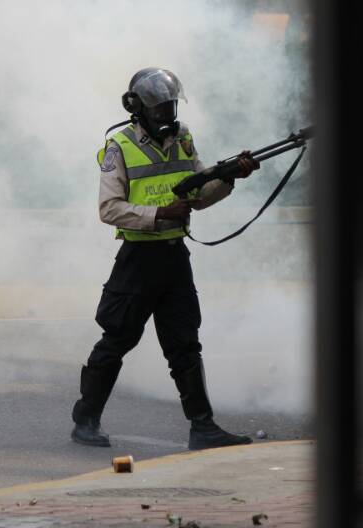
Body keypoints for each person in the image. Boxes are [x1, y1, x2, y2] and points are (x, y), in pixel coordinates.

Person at [70, 67, 260, 450]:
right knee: (117, 339)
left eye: (171, 106)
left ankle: (203, 427)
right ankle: (85, 420)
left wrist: (229, 178)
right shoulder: (118, 147)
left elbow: (199, 196)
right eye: (159, 108)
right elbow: (109, 209)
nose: (167, 115)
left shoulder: (182, 138)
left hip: (174, 258)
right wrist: (159, 215)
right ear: (136, 107)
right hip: (138, 260)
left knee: (185, 344)